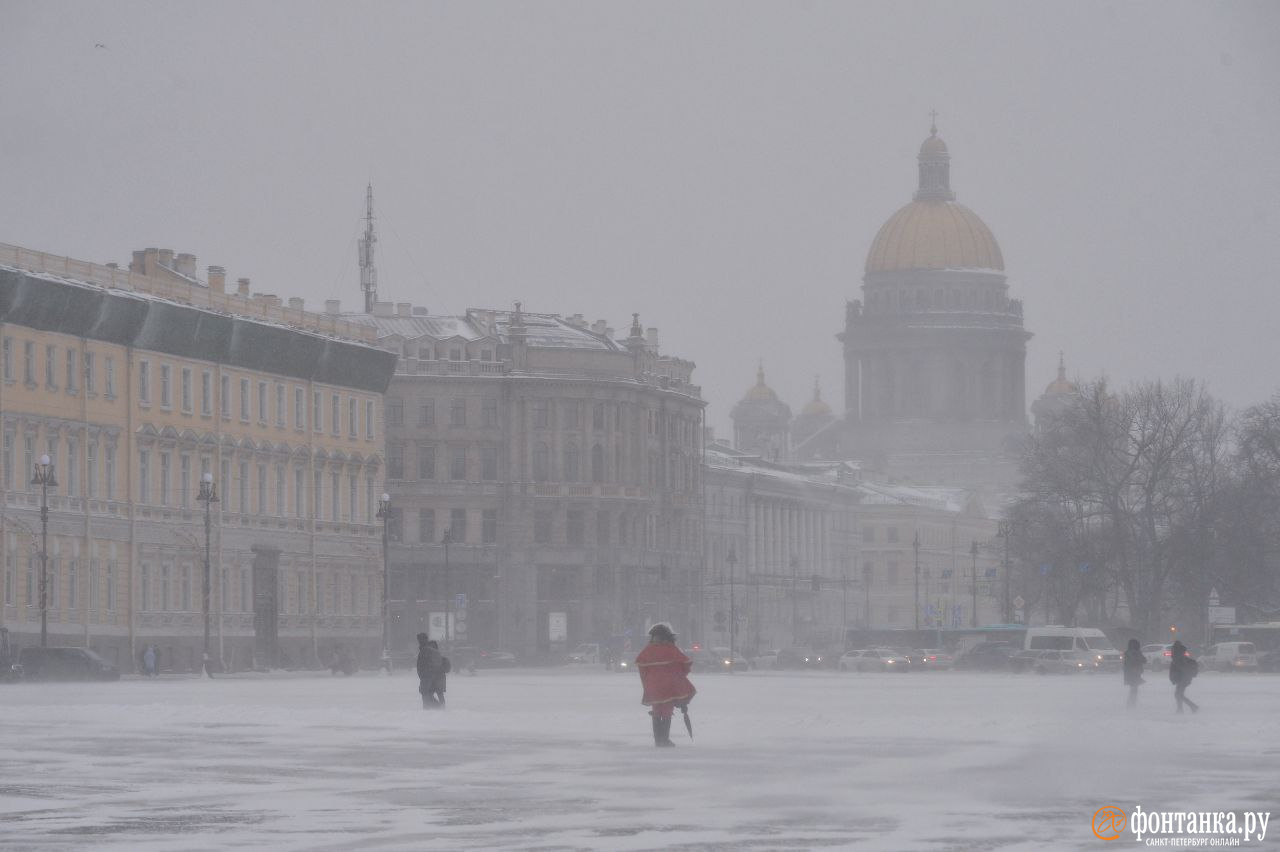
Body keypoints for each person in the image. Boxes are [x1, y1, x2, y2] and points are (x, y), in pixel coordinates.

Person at [635, 623, 695, 747]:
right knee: (667, 710)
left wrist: (648, 683)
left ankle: (658, 739)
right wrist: (678, 676)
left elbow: (642, 670)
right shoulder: (670, 649)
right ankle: (664, 738)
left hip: (653, 687)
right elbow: (685, 664)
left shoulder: (648, 650)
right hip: (669, 686)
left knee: (656, 710)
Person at [1168, 640, 1199, 714]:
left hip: (1183, 678)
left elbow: (1183, 667)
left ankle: (1192, 706)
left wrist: (1178, 674)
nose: (1172, 651)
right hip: (1182, 678)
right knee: (1179, 694)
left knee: (1178, 694)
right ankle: (1181, 709)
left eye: (1173, 649)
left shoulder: (1178, 657)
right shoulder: (1179, 656)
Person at [416, 633, 443, 709]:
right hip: (427, 675)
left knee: (425, 693)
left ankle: (431, 708)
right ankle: (434, 707)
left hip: (427, 676)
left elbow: (424, 664)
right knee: (426, 693)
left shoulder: (426, 649)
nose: (418, 641)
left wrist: (425, 673)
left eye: (419, 639)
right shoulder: (426, 649)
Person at [1122, 639, 1146, 708]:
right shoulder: (1135, 653)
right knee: (1134, 689)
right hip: (1134, 673)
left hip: (1132, 673)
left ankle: (1131, 703)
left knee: (1133, 689)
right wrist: (1138, 658)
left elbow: (1127, 664)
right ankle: (1131, 703)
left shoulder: (1128, 652)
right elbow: (1143, 660)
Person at [428, 640, 450, 706]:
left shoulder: (436, 657)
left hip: (436, 678)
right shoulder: (439, 657)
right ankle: (440, 706)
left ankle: (439, 706)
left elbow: (446, 668)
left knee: (433, 694)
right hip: (437, 678)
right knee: (438, 694)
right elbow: (447, 669)